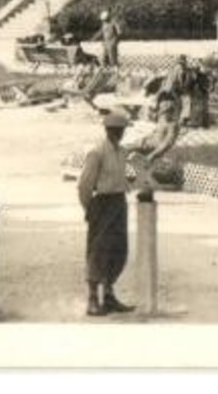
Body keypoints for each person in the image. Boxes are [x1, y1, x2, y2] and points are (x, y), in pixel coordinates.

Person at [77, 111, 134, 316]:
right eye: (117, 130)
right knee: (98, 251)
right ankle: (92, 300)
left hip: (119, 203)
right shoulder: (97, 152)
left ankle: (108, 296)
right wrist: (90, 209)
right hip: (102, 203)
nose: (120, 134)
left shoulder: (122, 152)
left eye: (121, 130)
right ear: (109, 130)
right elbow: (84, 185)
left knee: (118, 250)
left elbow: (121, 179)